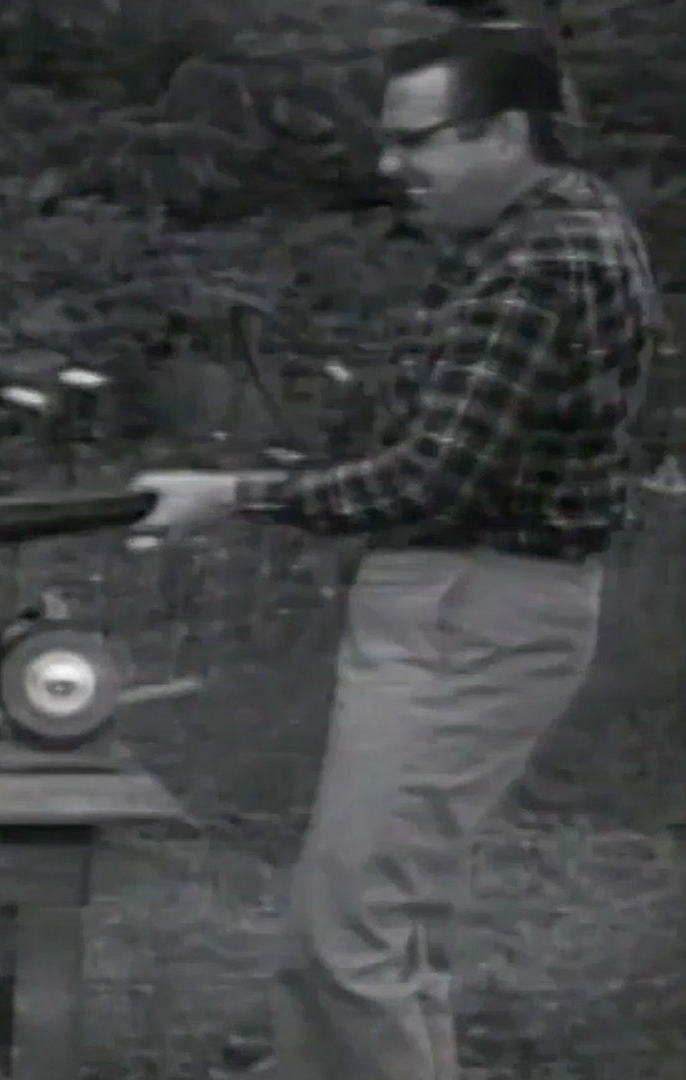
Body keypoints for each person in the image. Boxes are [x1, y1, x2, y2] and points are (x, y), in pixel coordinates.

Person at [131, 24, 673, 1080]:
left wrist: (227, 496)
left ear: (507, 133)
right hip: (472, 604)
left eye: (415, 140)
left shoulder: (542, 263)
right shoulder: (550, 233)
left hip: (472, 610)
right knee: (392, 929)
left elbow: (434, 477)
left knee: (346, 941)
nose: (391, 166)